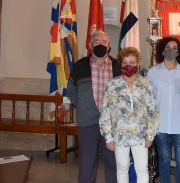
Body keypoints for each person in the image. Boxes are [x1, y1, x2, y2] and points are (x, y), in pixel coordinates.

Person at [100, 47, 160, 183]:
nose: (129, 65)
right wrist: (108, 138)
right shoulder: (112, 85)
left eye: (132, 62)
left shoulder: (145, 84)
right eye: (125, 62)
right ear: (121, 64)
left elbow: (153, 112)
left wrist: (150, 134)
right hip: (120, 136)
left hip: (141, 135)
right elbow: (105, 112)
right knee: (122, 168)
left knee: (142, 169)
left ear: (138, 64)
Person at [67, 31, 120, 183]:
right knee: (86, 164)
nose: (100, 44)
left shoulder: (118, 66)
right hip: (88, 122)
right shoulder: (80, 65)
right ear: (90, 45)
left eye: (104, 41)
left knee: (113, 163)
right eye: (96, 41)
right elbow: (71, 90)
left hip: (112, 123)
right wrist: (83, 106)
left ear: (108, 46)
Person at [146, 37, 180, 183]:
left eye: (175, 48)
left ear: (178, 51)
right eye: (168, 47)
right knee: (164, 160)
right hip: (160, 125)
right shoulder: (153, 72)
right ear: (162, 50)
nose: (171, 50)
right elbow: (149, 101)